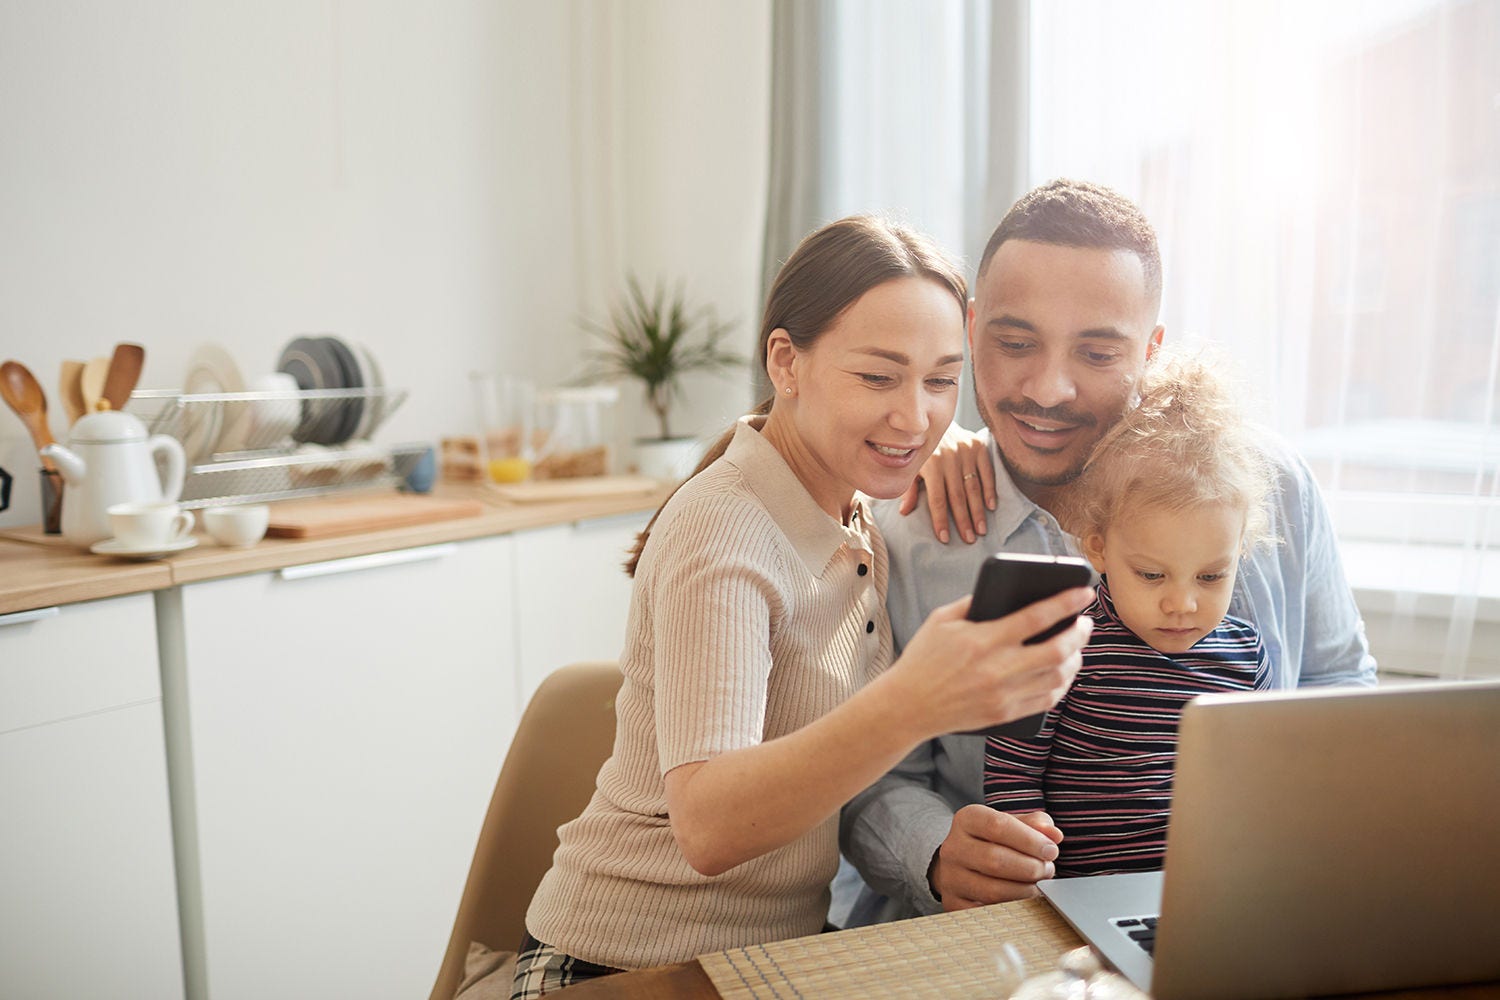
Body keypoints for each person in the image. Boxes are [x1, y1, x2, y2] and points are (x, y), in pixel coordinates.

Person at [512, 215, 1095, 997]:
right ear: (786, 362)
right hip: (622, 965)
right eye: (878, 378)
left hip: (770, 958)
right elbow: (709, 827)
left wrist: (949, 438)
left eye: (941, 381)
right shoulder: (725, 528)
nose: (915, 416)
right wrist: (916, 700)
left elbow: (913, 421)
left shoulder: (851, 511)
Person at [837, 179, 1376, 925]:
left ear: (1150, 351)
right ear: (971, 329)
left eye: (1096, 352)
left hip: (1227, 915)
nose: (1049, 389)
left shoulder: (1270, 486)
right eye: (1015, 343)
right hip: (985, 936)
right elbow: (866, 779)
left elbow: (1338, 683)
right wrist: (933, 852)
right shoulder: (902, 529)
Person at [984, 350, 1276, 876]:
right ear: (1098, 549)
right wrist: (1027, 842)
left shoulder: (1246, 657)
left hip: (1197, 889)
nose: (1183, 604)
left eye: (1211, 577)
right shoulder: (1063, 644)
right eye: (1152, 575)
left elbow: (1255, 784)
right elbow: (1012, 774)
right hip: (1076, 891)